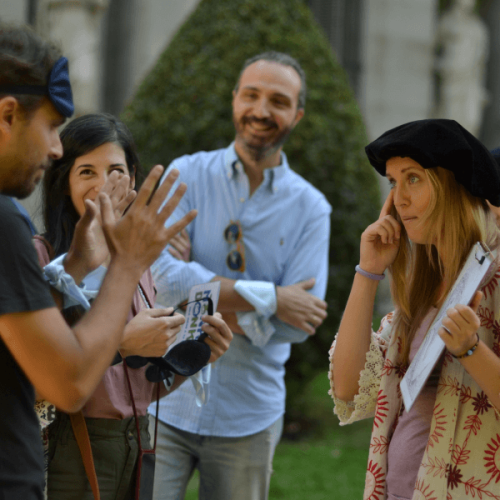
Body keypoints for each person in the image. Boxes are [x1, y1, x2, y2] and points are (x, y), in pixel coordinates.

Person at [0, 24, 197, 500]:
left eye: (115, 170)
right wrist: (126, 264)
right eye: (51, 126)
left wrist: (80, 264)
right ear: (7, 114)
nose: (55, 148)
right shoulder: (9, 227)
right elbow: (65, 383)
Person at [150, 51, 331, 500]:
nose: (261, 110)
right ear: (234, 99)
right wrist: (273, 298)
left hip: (248, 416)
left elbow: (298, 324)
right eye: (251, 95)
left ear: (297, 115)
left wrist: (195, 298)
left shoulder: (312, 209)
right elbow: (161, 281)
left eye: (278, 101)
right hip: (164, 398)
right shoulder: (185, 175)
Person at [33, 112, 233, 499]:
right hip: (70, 443)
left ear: (134, 177)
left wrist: (194, 357)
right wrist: (122, 343)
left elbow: (140, 391)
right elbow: (37, 376)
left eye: (116, 171)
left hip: (137, 441)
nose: (104, 185)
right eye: (87, 172)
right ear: (63, 181)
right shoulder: (42, 258)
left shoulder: (138, 267)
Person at [329, 119, 500, 500]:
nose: (399, 199)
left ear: (453, 185)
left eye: (413, 179)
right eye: (393, 182)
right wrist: (368, 271)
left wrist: (470, 349)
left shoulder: (494, 278)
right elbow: (348, 387)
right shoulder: (422, 292)